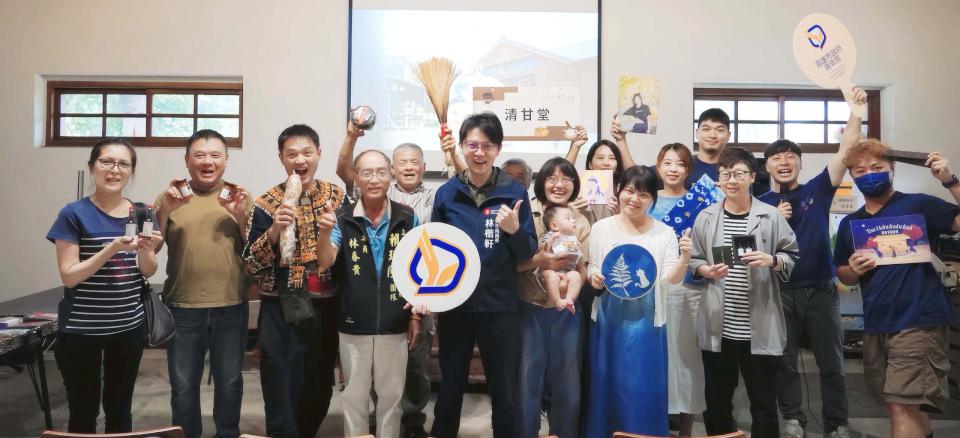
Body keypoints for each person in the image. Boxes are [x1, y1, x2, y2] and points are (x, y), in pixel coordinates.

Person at [758, 87, 867, 438]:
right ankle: (793, 420)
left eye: (791, 156)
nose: (784, 161)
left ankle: (836, 424)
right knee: (784, 363)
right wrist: (773, 219)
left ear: (800, 163)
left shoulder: (817, 189)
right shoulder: (759, 203)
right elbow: (747, 247)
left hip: (820, 289)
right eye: (776, 157)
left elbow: (846, 152)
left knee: (832, 363)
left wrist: (857, 111)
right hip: (777, 292)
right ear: (767, 166)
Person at [833, 139, 960, 438]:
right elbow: (843, 274)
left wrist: (950, 180)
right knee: (903, 405)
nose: (869, 174)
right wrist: (854, 269)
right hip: (877, 323)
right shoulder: (850, 223)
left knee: (902, 406)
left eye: (876, 167)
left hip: (918, 319)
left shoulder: (917, 205)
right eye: (860, 170)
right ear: (852, 176)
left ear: (892, 168)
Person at [336, 121, 453, 438]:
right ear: (393, 169)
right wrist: (352, 134)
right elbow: (344, 169)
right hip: (364, 311)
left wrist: (416, 312)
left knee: (410, 373)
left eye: (415, 162)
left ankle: (411, 425)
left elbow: (424, 257)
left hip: (413, 301)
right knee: (364, 384)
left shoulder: (431, 200)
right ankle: (371, 429)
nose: (409, 167)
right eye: (403, 162)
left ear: (423, 167)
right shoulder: (364, 199)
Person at [430, 112, 537, 438]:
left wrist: (515, 230)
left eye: (487, 146)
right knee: (450, 385)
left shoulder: (514, 192)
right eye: (472, 145)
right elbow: (434, 250)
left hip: (500, 306)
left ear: (498, 149)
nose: (479, 152)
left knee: (504, 388)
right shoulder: (446, 194)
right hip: (455, 306)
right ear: (461, 146)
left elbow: (527, 252)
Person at [47, 138, 163, 433]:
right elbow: (69, 276)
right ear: (92, 167)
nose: (115, 170)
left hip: (129, 328)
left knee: (120, 410)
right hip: (80, 331)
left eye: (124, 164)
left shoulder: (143, 213)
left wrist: (147, 250)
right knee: (83, 412)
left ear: (131, 171)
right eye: (106, 162)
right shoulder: (73, 214)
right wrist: (112, 248)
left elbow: (148, 270)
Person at [242, 124, 345, 438]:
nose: (300, 160)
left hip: (325, 306)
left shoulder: (337, 197)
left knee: (319, 384)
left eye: (307, 152)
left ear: (318, 154)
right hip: (280, 308)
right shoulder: (266, 203)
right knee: (279, 382)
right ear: (281, 158)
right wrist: (274, 230)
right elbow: (250, 264)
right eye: (292, 154)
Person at [688, 147, 799, 438]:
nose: (731, 180)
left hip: (758, 327)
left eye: (738, 174)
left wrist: (771, 260)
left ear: (752, 177)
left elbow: (792, 256)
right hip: (719, 326)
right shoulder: (706, 216)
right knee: (716, 402)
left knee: (763, 404)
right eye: (725, 174)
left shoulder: (770, 216)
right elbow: (694, 259)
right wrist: (705, 270)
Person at [316, 149, 426, 438]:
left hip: (395, 323)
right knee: (354, 397)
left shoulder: (407, 216)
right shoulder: (342, 218)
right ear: (356, 177)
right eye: (366, 172)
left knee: (392, 398)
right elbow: (325, 261)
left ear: (391, 174)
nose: (374, 179)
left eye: (380, 172)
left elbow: (419, 267)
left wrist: (415, 317)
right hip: (353, 324)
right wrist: (324, 233)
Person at [154, 129, 252, 438]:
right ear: (187, 160)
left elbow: (257, 251)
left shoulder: (239, 197)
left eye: (215, 155)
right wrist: (164, 211)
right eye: (199, 155)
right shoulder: (172, 197)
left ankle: (228, 434)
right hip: (182, 306)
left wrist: (241, 218)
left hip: (231, 304)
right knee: (183, 385)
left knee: (230, 382)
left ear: (226, 160)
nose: (207, 162)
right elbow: (151, 248)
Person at [585, 165, 693, 437]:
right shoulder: (600, 228)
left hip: (647, 325)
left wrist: (684, 260)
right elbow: (593, 265)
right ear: (619, 190)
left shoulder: (664, 233)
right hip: (607, 321)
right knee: (606, 387)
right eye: (629, 191)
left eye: (643, 194)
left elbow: (670, 283)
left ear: (652, 199)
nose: (634, 199)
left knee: (642, 389)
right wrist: (593, 276)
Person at [516, 157, 590, 438]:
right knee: (527, 380)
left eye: (566, 179)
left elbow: (583, 268)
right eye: (552, 178)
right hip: (530, 307)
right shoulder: (525, 213)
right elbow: (512, 265)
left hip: (567, 312)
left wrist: (569, 287)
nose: (559, 185)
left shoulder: (579, 221)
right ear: (541, 182)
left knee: (568, 383)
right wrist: (542, 262)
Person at [648, 143, 705, 437]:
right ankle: (653, 425)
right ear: (658, 167)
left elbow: (712, 244)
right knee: (655, 359)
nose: (673, 169)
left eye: (680, 164)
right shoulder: (646, 200)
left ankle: (686, 430)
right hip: (652, 291)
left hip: (691, 290)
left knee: (687, 360)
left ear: (688, 170)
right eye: (667, 163)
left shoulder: (703, 201)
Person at [538, 205, 585, 312]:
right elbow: (540, 250)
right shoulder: (551, 235)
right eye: (568, 218)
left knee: (576, 276)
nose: (573, 220)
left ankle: (570, 300)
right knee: (550, 275)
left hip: (568, 271)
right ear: (554, 226)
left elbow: (580, 260)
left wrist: (579, 251)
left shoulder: (574, 239)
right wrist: (549, 241)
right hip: (550, 270)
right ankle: (557, 300)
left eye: (573, 218)